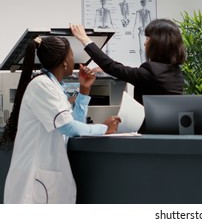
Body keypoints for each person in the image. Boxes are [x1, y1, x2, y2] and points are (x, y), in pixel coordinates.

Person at [2, 36, 121, 204]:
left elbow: (72, 127)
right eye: (72, 54)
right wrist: (103, 128)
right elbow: (68, 127)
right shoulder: (41, 85)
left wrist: (84, 90)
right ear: (65, 61)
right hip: (33, 184)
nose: (75, 59)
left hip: (45, 182)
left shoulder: (54, 87)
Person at [69, 19, 186, 109]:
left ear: (158, 43)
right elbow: (125, 71)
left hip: (149, 133)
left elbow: (112, 66)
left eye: (147, 39)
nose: (145, 44)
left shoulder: (151, 71)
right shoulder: (176, 72)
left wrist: (84, 39)